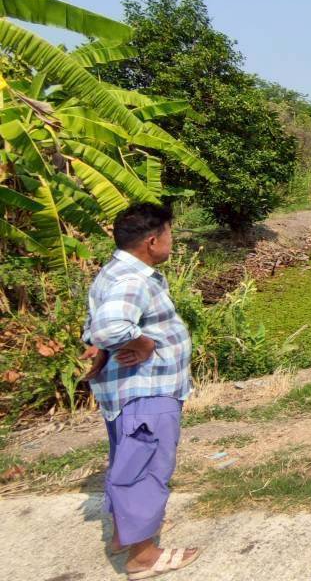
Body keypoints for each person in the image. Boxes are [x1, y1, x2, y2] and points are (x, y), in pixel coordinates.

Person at [80, 203, 202, 579]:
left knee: (130, 460)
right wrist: (145, 343)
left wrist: (102, 348)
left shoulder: (117, 270)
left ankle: (126, 536)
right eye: (169, 235)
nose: (172, 242)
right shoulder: (132, 280)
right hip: (145, 392)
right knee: (145, 468)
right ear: (152, 241)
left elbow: (95, 328)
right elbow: (109, 327)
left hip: (130, 394)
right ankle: (143, 556)